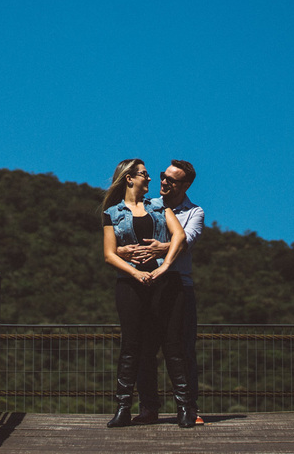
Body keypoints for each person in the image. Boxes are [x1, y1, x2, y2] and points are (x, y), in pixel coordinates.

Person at [100, 159, 196, 428]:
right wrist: (135, 273)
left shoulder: (159, 206)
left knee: (173, 346)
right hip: (130, 285)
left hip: (165, 284)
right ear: (129, 178)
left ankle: (185, 409)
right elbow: (108, 254)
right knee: (131, 347)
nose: (151, 179)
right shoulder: (112, 213)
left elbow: (179, 237)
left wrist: (164, 267)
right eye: (145, 174)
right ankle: (123, 409)